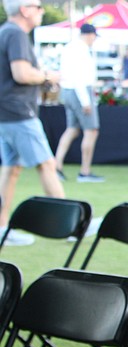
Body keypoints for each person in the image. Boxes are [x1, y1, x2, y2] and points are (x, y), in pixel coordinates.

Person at [0, 0, 65, 246]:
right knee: (47, 164)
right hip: (18, 111)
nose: (42, 10)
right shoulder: (15, 34)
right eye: (37, 6)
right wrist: (48, 75)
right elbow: (22, 74)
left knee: (11, 169)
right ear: (25, 10)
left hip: (6, 112)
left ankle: (2, 228)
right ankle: (66, 224)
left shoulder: (6, 31)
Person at [54, 23, 104, 182]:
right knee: (91, 131)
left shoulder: (70, 47)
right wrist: (85, 101)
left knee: (72, 130)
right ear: (90, 34)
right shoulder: (81, 49)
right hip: (79, 91)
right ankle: (85, 172)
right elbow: (79, 77)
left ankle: (56, 166)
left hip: (68, 91)